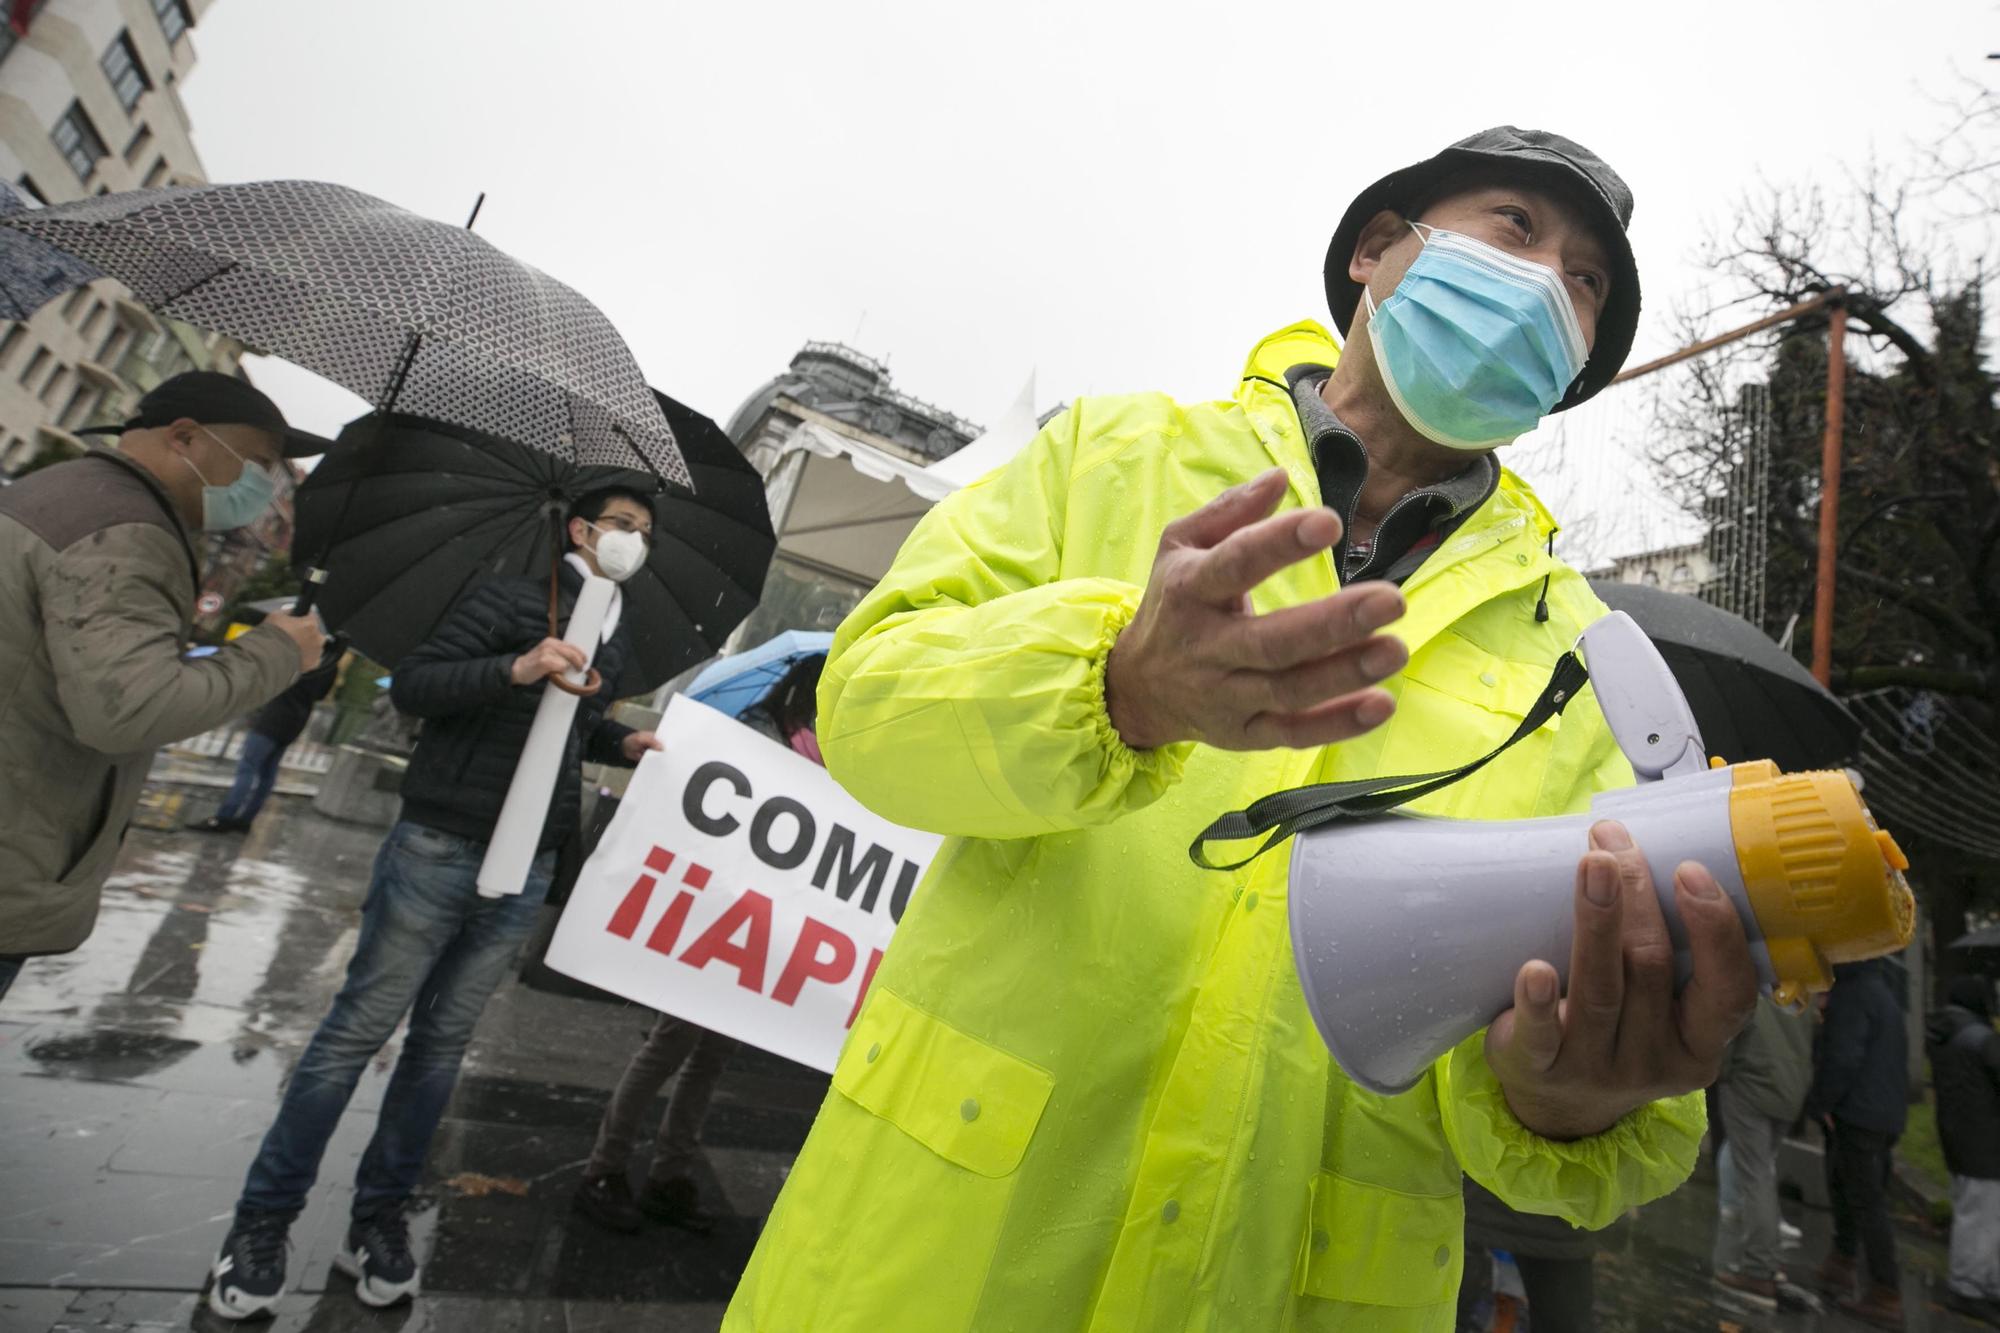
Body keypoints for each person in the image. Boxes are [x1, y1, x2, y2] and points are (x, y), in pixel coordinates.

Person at [722, 127, 1758, 1331]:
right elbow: (868, 708)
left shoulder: (1580, 659)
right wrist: (1117, 686)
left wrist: (1567, 1099)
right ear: (1378, 251)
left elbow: (1579, 1089)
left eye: (1584, 284)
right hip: (931, 1264)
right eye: (1515, 230)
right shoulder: (1107, 454)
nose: (1544, 289)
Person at [204, 486, 665, 1320]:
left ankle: (377, 1218)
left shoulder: (615, 626)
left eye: (646, 536)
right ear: (581, 531)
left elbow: (566, 727)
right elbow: (415, 686)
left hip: (528, 862)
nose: (635, 543)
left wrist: (616, 737)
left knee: (441, 1049)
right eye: (623, 527)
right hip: (439, 845)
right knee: (353, 1035)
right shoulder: (507, 596)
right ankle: (260, 1225)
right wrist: (517, 664)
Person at [0, 372, 327, 1001]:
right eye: (258, 463)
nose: (264, 483)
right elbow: (131, 710)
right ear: (184, 437)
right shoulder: (125, 530)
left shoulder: (63, 491)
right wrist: (279, 650)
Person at [573, 653, 828, 1235]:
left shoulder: (818, 754)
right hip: (713, 917)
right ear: (806, 695)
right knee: (669, 1046)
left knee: (711, 1058)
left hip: (759, 926)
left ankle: (670, 1176)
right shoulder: (761, 739)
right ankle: (604, 1170)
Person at [1806, 957, 1910, 1328]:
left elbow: (1843, 1056)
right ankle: (1842, 1261)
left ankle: (1885, 1292)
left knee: (1866, 1202)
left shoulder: (1852, 995)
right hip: (1882, 1113)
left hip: (1858, 1112)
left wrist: (1822, 1103)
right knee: (1846, 1186)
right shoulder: (1882, 994)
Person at [1712, 993, 1815, 1309]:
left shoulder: (1753, 987)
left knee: (1755, 1176)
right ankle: (1763, 1258)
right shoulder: (1800, 992)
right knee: (1762, 1171)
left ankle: (1759, 1268)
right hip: (1789, 1092)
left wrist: (1722, 1073)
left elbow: (1730, 1035)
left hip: (1750, 1085)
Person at [187, 647, 342, 833]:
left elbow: (273, 678)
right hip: (295, 722)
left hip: (272, 719)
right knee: (268, 773)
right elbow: (320, 695)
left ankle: (224, 817)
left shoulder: (299, 655)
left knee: (248, 768)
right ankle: (246, 819)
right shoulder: (330, 665)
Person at [1927, 974, 2000, 1324]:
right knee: (1983, 1217)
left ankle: (1981, 1283)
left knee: (1976, 1213)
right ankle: (1970, 1288)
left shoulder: (1947, 1034)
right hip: (1986, 1142)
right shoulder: (1981, 1039)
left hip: (1959, 1138)